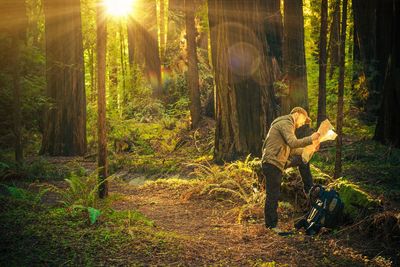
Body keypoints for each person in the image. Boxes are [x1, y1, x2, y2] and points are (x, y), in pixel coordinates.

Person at [261, 107, 320, 229]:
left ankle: (309, 189)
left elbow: (292, 149)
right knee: (273, 194)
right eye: (303, 120)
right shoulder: (286, 123)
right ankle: (271, 226)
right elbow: (293, 142)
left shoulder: (287, 125)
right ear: (298, 114)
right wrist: (311, 138)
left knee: (274, 193)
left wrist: (309, 149)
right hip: (272, 162)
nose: (302, 123)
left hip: (275, 162)